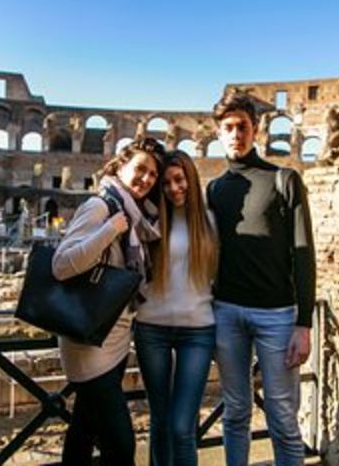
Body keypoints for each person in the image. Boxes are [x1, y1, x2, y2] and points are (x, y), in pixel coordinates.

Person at [206, 94, 316, 466]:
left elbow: (303, 253)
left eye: (242, 126)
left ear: (256, 130)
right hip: (226, 312)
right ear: (218, 133)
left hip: (277, 315)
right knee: (234, 411)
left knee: (283, 416)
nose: (236, 134)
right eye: (228, 128)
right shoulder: (215, 190)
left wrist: (304, 324)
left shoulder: (284, 179)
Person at [52, 137, 165, 466]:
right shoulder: (102, 206)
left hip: (114, 338)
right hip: (88, 341)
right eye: (140, 169)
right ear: (120, 166)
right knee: (120, 445)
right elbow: (61, 265)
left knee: (83, 431)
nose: (146, 179)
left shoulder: (137, 216)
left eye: (152, 175)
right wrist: (109, 230)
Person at [134, 150, 218, 466]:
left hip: (198, 330)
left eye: (179, 179)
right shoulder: (150, 220)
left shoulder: (210, 222)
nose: (173, 188)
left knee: (183, 426)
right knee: (160, 419)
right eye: (166, 182)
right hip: (150, 327)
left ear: (191, 180)